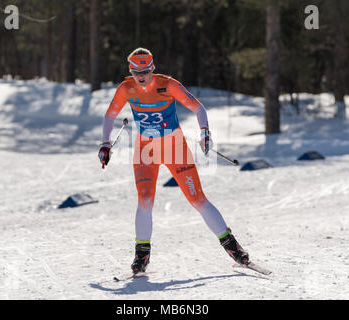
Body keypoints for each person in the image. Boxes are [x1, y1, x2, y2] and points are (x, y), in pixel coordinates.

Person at [99, 48, 249, 274]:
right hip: (145, 150)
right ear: (130, 70)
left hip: (174, 148)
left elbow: (197, 107)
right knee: (145, 200)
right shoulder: (126, 88)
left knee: (197, 199)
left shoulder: (167, 84)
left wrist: (205, 132)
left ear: (153, 68)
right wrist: (105, 143)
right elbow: (110, 115)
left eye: (146, 71)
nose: (141, 76)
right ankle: (142, 254)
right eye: (136, 71)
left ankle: (232, 246)